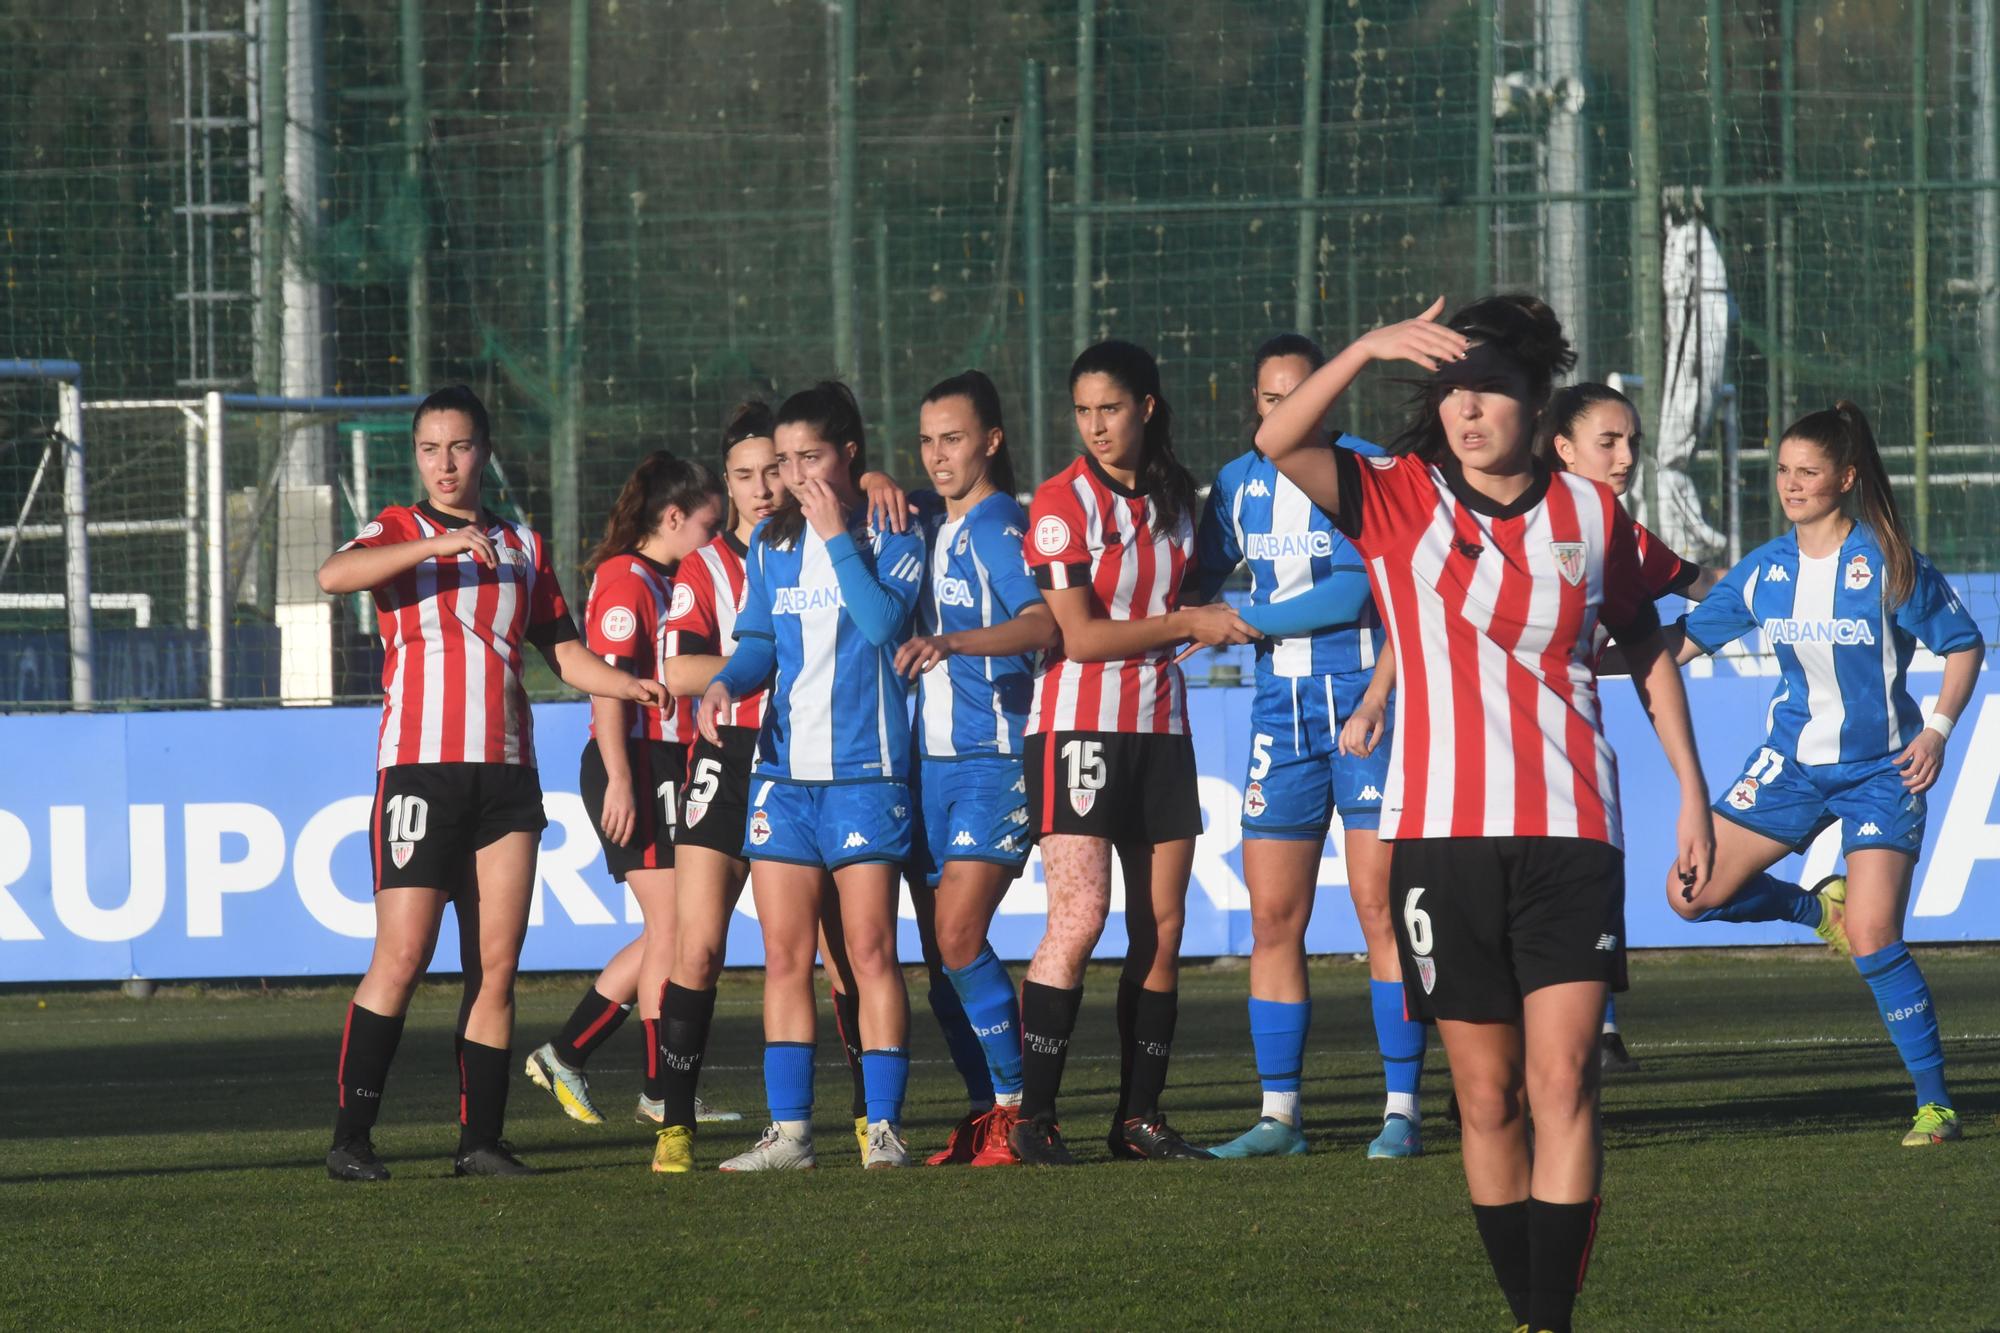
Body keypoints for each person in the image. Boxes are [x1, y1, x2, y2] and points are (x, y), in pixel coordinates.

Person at [1256, 297, 1714, 1333]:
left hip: (1570, 832)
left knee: (1562, 1082)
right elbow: (1277, 437)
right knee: (1485, 1096)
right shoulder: (1393, 497)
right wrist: (1367, 348)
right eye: (1450, 391)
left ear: (1534, 404)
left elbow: (1646, 641)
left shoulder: (1591, 518)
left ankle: (1549, 1320)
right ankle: (1523, 1313)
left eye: (1490, 391)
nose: (1465, 410)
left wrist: (1689, 789)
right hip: (1438, 839)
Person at [320, 385, 667, 1181]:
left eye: (460, 446)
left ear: (484, 451)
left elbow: (568, 653)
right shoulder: (400, 528)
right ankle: (351, 1138)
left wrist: (625, 683)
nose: (445, 463)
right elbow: (335, 574)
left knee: (496, 967)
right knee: (403, 954)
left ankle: (478, 1140)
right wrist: (435, 549)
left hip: (508, 778)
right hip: (418, 768)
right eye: (431, 448)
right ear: (418, 457)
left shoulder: (525, 547)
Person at [1662, 401, 1984, 1146]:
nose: (1790, 484)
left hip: (1882, 770)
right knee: (1689, 893)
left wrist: (1936, 730)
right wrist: (1575, 650)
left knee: (1876, 937)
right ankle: (1816, 911)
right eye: (1782, 470)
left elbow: (1965, 647)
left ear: (1845, 478)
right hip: (1792, 766)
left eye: (1808, 472)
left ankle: (1935, 1104)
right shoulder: (1765, 569)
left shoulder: (1888, 562)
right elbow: (1677, 647)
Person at [1007, 340, 1260, 1167]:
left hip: (1161, 727)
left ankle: (1137, 1119)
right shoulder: (1060, 501)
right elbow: (1079, 637)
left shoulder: (1186, 502)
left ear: (1147, 407)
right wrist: (1192, 622)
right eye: (1082, 411)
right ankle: (1035, 1119)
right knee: (1078, 918)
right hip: (1075, 728)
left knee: (1163, 927)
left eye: (1109, 408)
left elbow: (1209, 580)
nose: (1095, 426)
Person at [1192, 332, 1426, 1160]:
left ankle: (1402, 1107)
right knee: (1272, 917)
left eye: (1299, 393)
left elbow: (1359, 585)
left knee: (1379, 910)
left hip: (1367, 707)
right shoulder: (1235, 483)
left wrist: (1242, 620)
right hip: (1277, 715)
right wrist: (1169, 618)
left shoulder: (1359, 470)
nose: (1284, 408)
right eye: (1269, 398)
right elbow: (1197, 576)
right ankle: (1279, 1116)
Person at [700, 382, 926, 1172]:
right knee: (786, 957)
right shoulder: (769, 543)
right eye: (785, 459)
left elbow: (883, 623)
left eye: (810, 457)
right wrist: (729, 679)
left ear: (850, 454)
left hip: (868, 773)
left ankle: (883, 1128)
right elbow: (760, 639)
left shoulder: (893, 530)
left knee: (868, 952)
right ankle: (791, 1132)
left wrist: (837, 530)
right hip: (784, 778)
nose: (792, 475)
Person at [522, 451, 727, 1134]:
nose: (714, 537)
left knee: (669, 930)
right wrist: (618, 775)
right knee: (672, 927)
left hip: (666, 759)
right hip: (635, 759)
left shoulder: (674, 576)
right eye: (707, 523)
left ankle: (634, 1080)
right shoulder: (624, 580)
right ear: (672, 518)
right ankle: (599, 1065)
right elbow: (607, 687)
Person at [892, 371, 1057, 1167]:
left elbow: (1043, 621)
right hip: (934, 764)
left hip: (995, 756)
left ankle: (1024, 1109)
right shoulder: (930, 521)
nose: (937, 454)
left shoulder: (999, 526)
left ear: (992, 439)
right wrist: (872, 476)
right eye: (926, 440)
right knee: (940, 954)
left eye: (952, 438)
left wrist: (955, 641)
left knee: (960, 935)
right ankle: (988, 1107)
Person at [1536, 382, 1722, 1072]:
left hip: (1574, 746)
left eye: (1633, 443)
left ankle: (1600, 1027)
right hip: (1483, 753)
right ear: (1563, 449)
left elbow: (1701, 586)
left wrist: (1773, 586)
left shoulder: (1618, 532)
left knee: (1584, 880)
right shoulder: (1509, 518)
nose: (1625, 457)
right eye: (1608, 442)